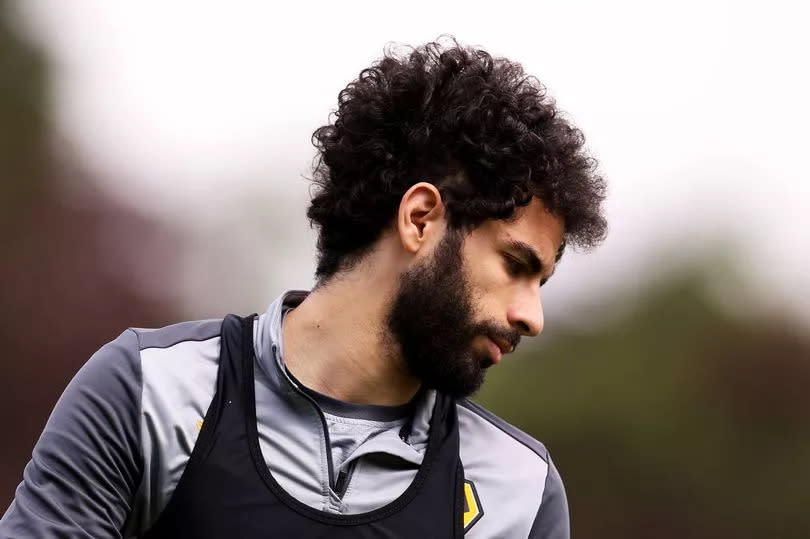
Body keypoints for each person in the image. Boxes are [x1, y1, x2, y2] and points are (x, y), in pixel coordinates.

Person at [0, 38, 606, 538]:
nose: (532, 316)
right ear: (420, 219)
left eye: (542, 282)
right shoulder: (146, 393)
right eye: (516, 265)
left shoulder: (518, 492)